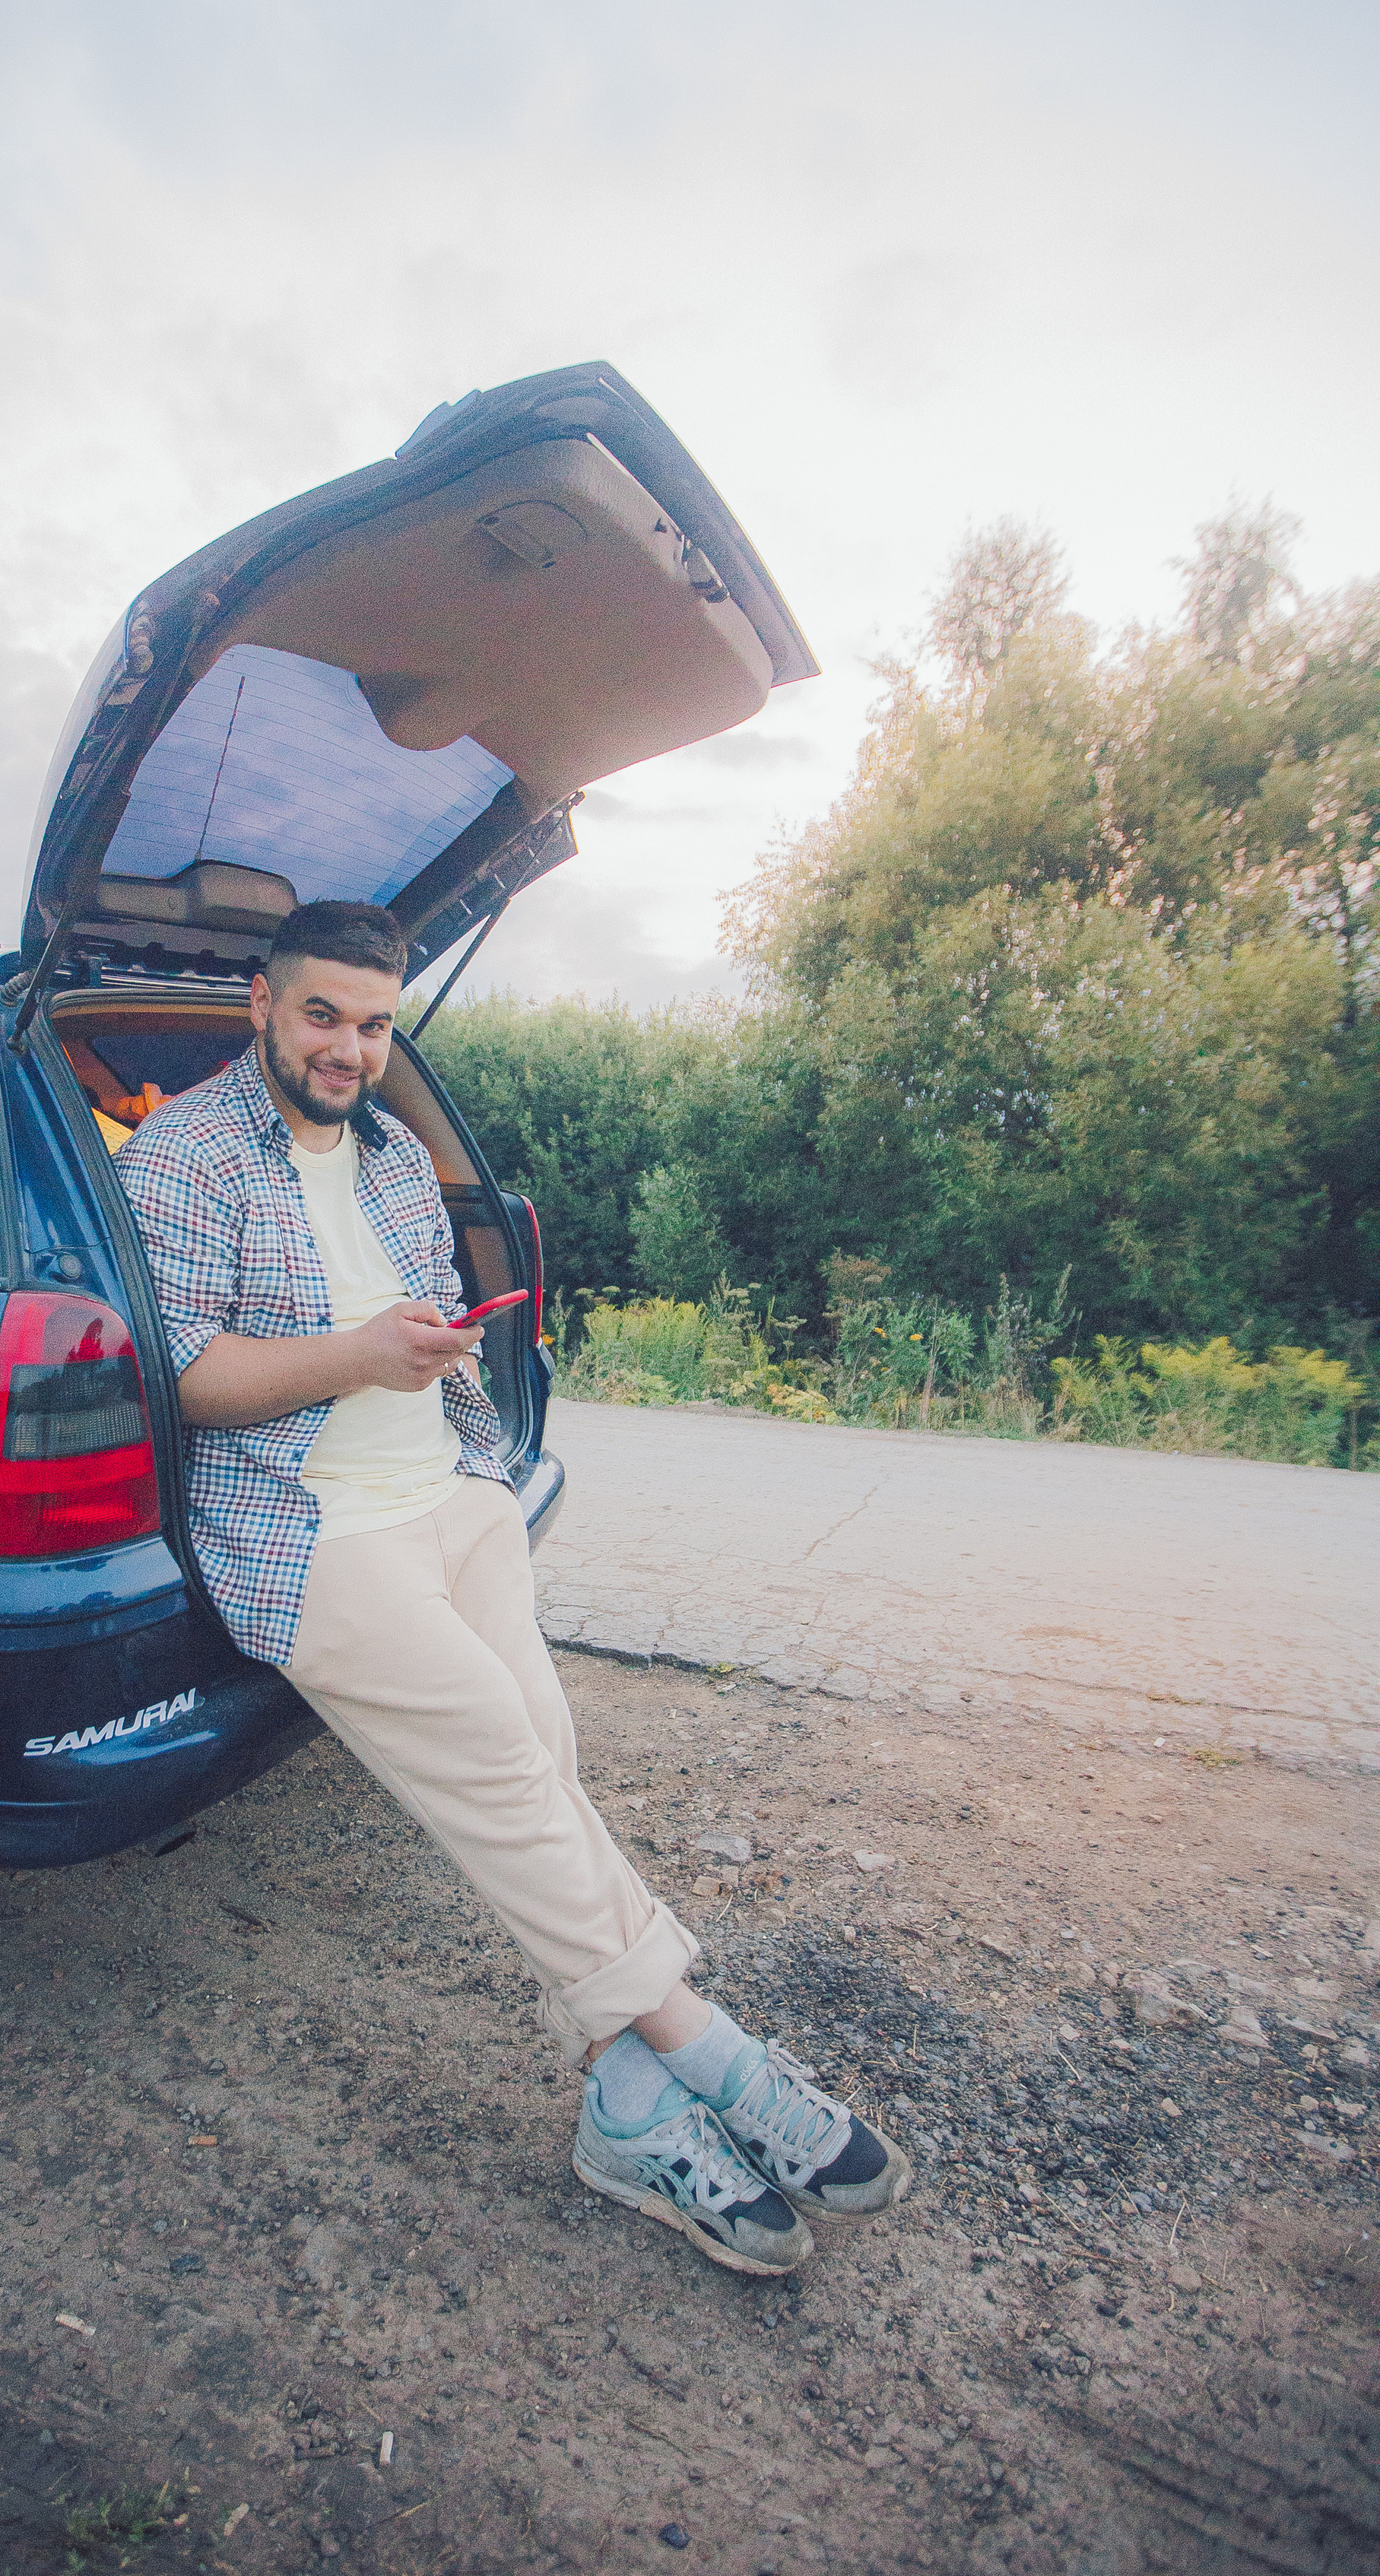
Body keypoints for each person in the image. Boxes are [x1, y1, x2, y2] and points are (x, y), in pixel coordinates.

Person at [116, 899, 909, 2274]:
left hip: (451, 1490)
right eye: (322, 1015)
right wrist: (359, 1355)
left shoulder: (397, 1159)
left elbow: (428, 1327)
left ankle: (624, 2100)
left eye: (373, 1023)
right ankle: (707, 2048)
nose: (349, 1048)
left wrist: (437, 1366)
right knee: (496, 1757)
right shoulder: (184, 1154)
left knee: (542, 1754)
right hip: (305, 1528)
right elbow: (187, 1379)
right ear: (262, 1004)